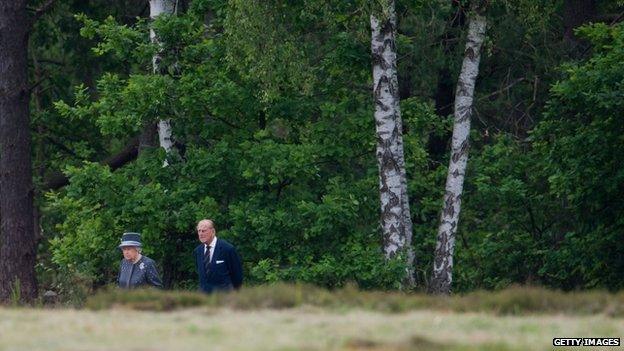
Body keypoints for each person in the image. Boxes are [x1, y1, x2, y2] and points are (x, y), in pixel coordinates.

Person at [193, 219, 243, 293]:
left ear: (213, 231)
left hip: (224, 296)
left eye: (204, 231)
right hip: (204, 297)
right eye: (199, 231)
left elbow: (237, 275)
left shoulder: (227, 249)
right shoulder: (198, 251)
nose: (200, 234)